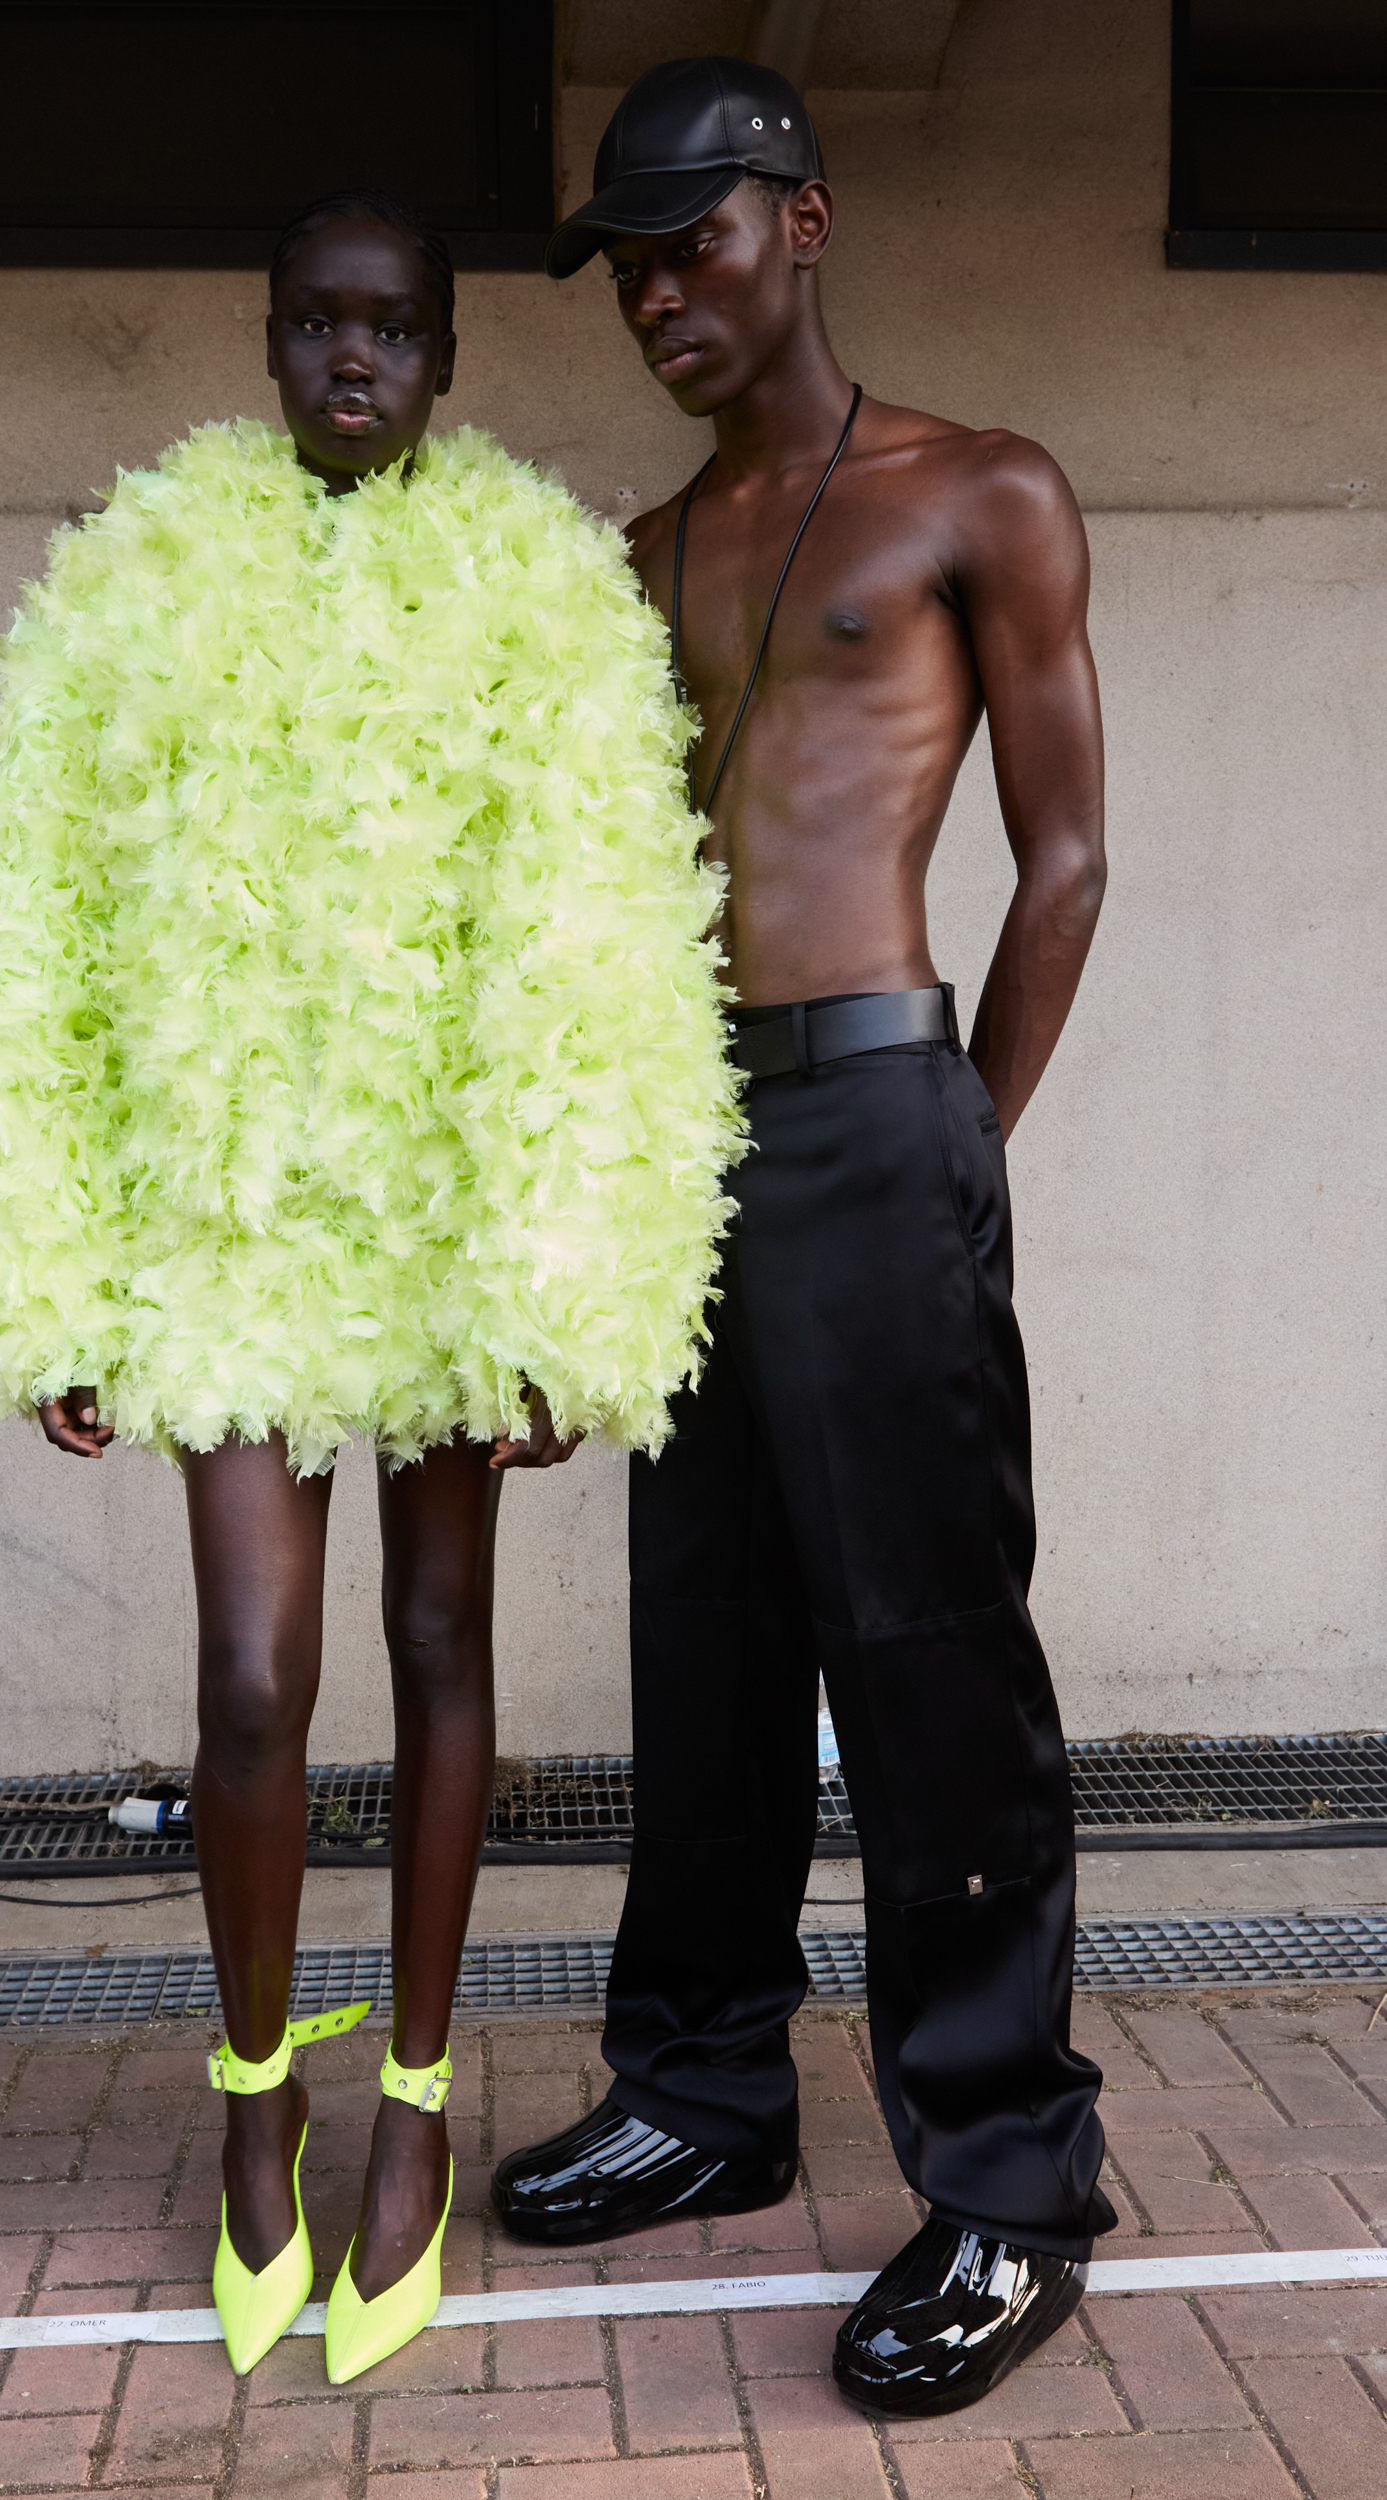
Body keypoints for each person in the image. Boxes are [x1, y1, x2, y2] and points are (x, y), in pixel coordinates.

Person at [0, 188, 739, 2387]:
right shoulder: (139, 569)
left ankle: (423, 2107)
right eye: (316, 327)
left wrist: (578, 1275)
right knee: (257, 1677)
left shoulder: (545, 584)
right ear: (266, 342)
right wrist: (47, 1258)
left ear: (446, 357)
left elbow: (608, 938)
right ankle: (259, 2091)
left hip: (455, 1205)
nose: (352, 361)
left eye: (391, 329)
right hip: (232, 1219)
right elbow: (29, 910)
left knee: (442, 1637)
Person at [490, 60, 1114, 2418]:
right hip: (683, 1132)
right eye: (625, 263)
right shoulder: (643, 553)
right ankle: (709, 2088)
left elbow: (1062, 854)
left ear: (807, 220)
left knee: (932, 1647)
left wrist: (963, 1127)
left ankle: (1013, 2183)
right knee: (711, 1633)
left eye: (696, 241)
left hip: (879, 1099)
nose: (658, 290)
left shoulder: (981, 488)